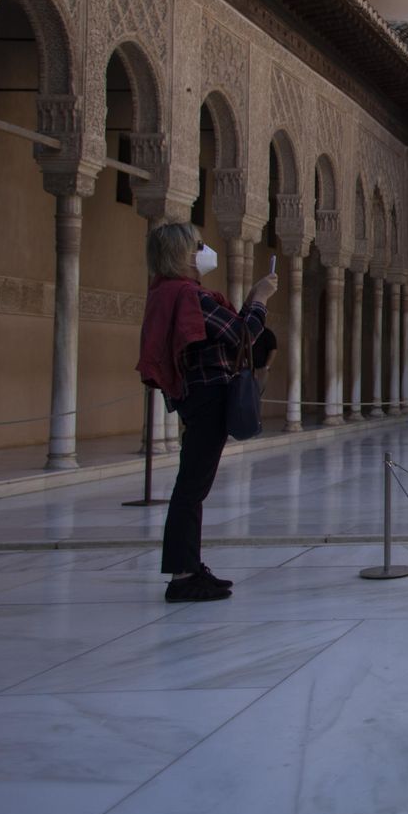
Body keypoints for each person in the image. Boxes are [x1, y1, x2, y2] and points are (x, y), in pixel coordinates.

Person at [137, 224, 277, 602]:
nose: (205, 251)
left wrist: (249, 301)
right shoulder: (189, 296)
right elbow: (244, 335)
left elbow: (227, 333)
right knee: (191, 489)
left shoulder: (169, 293)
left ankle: (191, 568)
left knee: (192, 487)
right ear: (183, 254)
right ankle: (183, 577)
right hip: (208, 396)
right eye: (198, 246)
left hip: (195, 397)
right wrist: (261, 298)